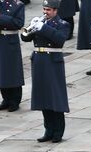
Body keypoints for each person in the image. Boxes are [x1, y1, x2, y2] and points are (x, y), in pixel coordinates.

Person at [25, 0, 69, 143]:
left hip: (53, 62)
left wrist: (43, 28)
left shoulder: (62, 24)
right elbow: (25, 38)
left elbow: (60, 39)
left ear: (55, 11)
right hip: (39, 62)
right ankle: (48, 130)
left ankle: (58, 131)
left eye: (48, 10)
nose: (45, 12)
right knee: (43, 96)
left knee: (55, 96)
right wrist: (31, 27)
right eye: (44, 9)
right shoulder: (40, 22)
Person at [0, 0, 24, 111]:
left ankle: (15, 101)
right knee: (0, 72)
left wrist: (1, 17)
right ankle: (6, 99)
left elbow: (19, 23)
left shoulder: (18, 5)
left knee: (12, 71)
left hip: (9, 41)